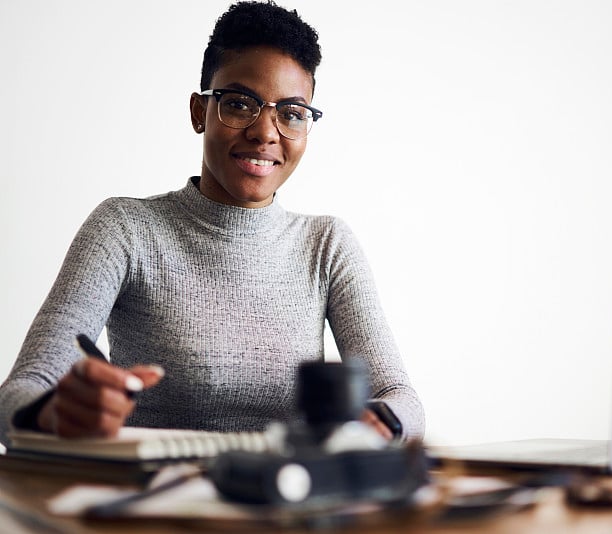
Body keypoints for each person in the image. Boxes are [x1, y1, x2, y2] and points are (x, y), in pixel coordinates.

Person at [0, 1, 424, 447]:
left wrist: (378, 424)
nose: (265, 133)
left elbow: (402, 399)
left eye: (292, 113)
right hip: (151, 505)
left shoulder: (327, 244)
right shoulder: (125, 228)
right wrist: (53, 414)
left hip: (287, 501)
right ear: (199, 111)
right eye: (241, 104)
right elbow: (19, 392)